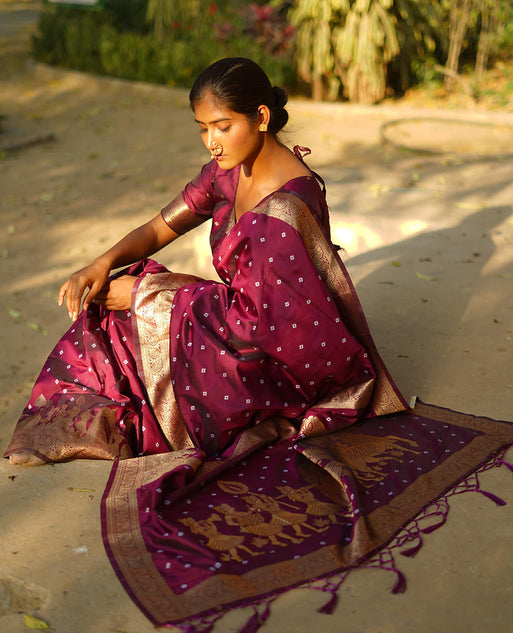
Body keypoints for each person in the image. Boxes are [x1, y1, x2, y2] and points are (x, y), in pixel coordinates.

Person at [4, 57, 406, 467]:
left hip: (276, 359)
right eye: (203, 129)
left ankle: (118, 422)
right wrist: (101, 263)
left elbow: (265, 329)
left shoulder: (285, 210)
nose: (211, 141)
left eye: (223, 127)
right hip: (236, 322)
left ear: (261, 117)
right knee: (112, 297)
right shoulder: (227, 172)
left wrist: (147, 296)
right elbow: (161, 228)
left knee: (135, 303)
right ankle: (85, 419)